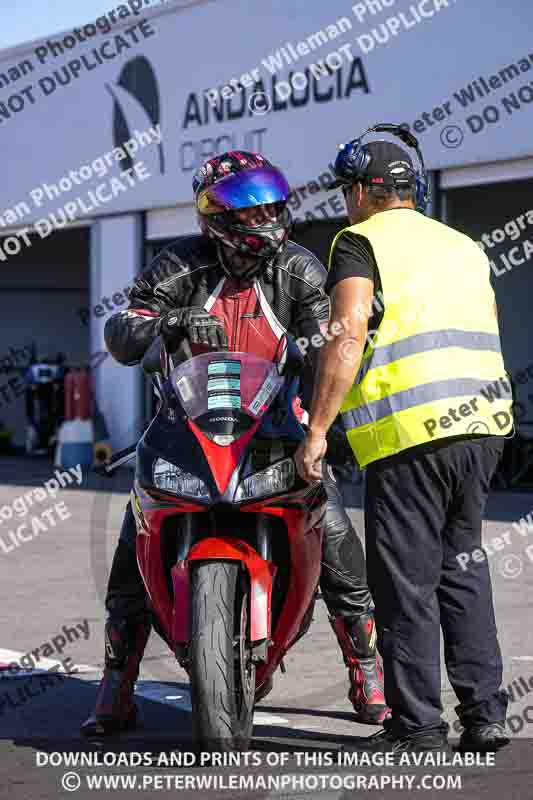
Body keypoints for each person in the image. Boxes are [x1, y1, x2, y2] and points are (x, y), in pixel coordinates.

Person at [81, 151, 389, 737]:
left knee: (335, 530)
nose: (266, 223)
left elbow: (332, 330)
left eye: (273, 208)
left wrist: (339, 331)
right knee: (135, 534)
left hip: (275, 427)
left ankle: (366, 668)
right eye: (251, 213)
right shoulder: (178, 267)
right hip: (185, 427)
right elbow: (123, 332)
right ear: (215, 220)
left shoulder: (299, 270)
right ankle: (116, 683)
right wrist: (164, 325)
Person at [295, 128, 513, 754]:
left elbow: (346, 333)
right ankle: (484, 715)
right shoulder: (464, 246)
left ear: (365, 190)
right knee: (462, 569)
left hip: (412, 432)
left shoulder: (360, 241)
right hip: (482, 426)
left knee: (404, 583)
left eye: (346, 189)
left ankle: (417, 725)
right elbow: (489, 323)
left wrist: (317, 430)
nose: (343, 201)